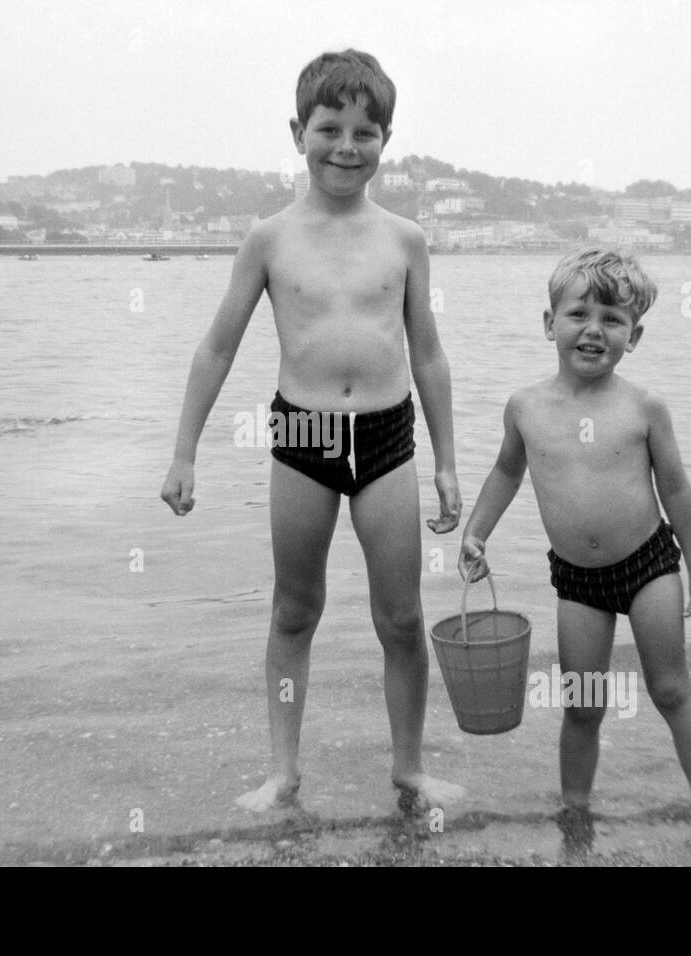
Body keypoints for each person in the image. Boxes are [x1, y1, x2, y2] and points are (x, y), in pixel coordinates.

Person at [159, 50, 464, 812]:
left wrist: (449, 462)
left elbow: (426, 352)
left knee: (400, 616)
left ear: (386, 140)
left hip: (387, 438)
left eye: (366, 132)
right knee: (295, 610)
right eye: (330, 128)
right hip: (304, 437)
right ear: (298, 131)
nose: (346, 146)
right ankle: (282, 771)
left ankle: (409, 769)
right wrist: (184, 452)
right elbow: (217, 346)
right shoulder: (269, 238)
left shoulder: (405, 239)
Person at [459, 246, 691, 849]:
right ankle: (575, 811)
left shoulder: (643, 408)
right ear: (549, 323)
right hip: (577, 580)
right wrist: (477, 531)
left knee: (670, 688)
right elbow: (507, 473)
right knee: (583, 702)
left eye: (612, 320)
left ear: (633, 336)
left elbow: (678, 491)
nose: (594, 330)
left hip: (648, 567)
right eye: (579, 314)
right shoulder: (525, 408)